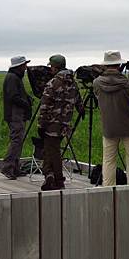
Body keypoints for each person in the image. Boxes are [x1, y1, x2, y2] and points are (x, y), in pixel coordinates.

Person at [93, 50, 129, 186]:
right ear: (119, 65)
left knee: (108, 160)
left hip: (109, 126)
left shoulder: (97, 83)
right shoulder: (127, 83)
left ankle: (108, 189)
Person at [37, 54, 84, 191]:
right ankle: (50, 175)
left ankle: (57, 179)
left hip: (51, 124)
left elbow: (44, 106)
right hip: (64, 124)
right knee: (51, 150)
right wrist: (81, 110)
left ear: (55, 67)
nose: (50, 69)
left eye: (51, 66)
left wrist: (41, 124)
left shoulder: (53, 83)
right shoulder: (72, 83)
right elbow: (78, 101)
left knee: (53, 151)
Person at [1, 55, 33, 179]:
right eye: (24, 65)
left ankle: (15, 168)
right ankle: (8, 167)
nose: (25, 68)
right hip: (15, 115)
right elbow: (13, 97)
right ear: (19, 66)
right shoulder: (12, 78)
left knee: (18, 141)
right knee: (16, 141)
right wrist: (26, 104)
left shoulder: (14, 77)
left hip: (17, 114)